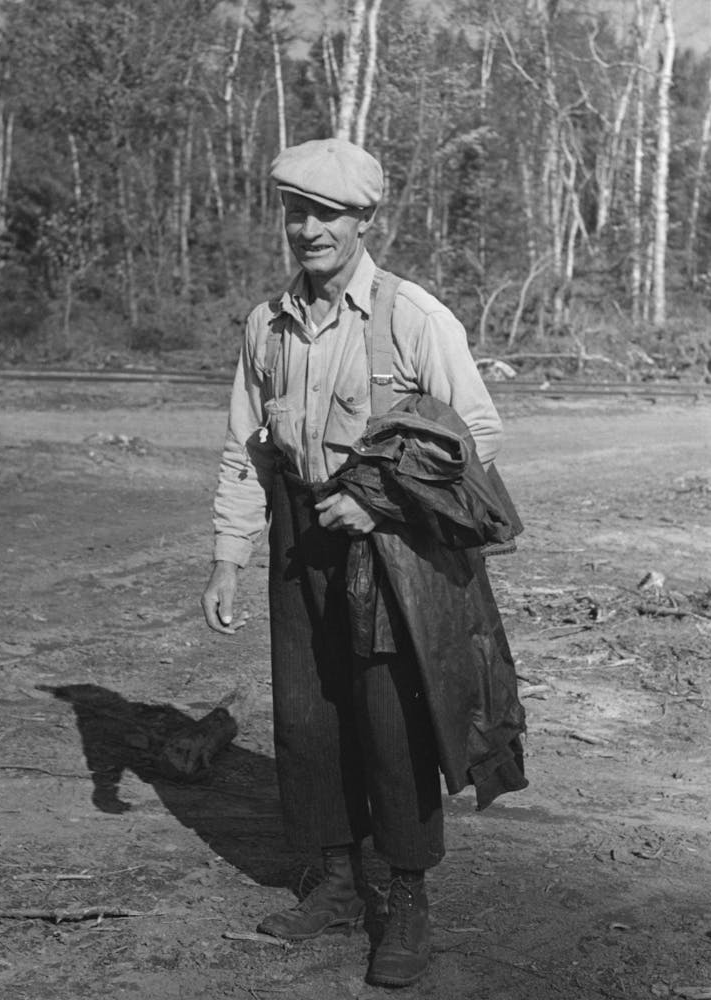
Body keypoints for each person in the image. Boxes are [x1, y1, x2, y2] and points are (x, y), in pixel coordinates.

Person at [201, 138, 527, 989]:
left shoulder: (411, 317)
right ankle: (340, 884)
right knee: (310, 721)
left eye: (327, 213)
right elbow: (245, 449)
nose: (308, 229)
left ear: (363, 220)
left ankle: (407, 898)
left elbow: (478, 435)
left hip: (389, 550)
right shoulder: (266, 325)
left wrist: (379, 496)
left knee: (391, 723)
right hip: (297, 541)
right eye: (294, 211)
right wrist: (228, 556)